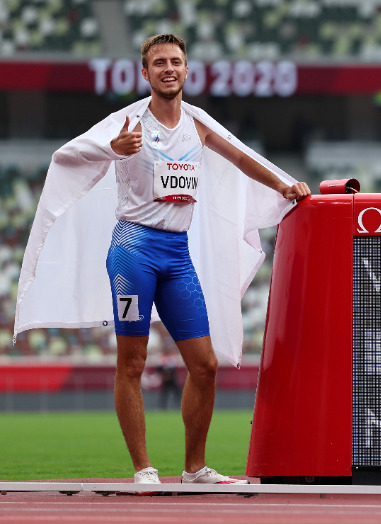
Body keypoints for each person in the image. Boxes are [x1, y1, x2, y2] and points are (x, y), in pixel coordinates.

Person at [13, 34, 310, 486]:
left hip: (177, 254)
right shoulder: (127, 119)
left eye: (175, 61)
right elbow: (67, 154)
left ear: (187, 70)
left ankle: (194, 469)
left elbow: (242, 157)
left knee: (204, 365)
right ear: (145, 73)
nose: (168, 69)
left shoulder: (198, 122)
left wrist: (284, 186)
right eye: (159, 63)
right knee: (132, 363)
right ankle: (143, 467)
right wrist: (113, 149)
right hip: (133, 252)